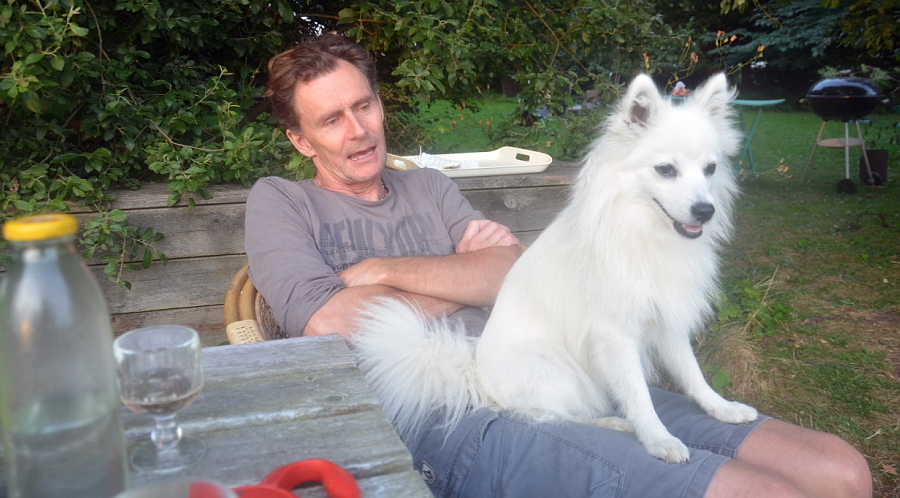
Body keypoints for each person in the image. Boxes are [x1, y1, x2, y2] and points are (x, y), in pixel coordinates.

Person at [244, 33, 872, 498]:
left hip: (568, 373)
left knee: (840, 473)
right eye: (331, 119)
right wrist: (467, 278)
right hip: (450, 414)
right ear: (300, 140)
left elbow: (510, 271)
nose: (358, 130)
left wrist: (382, 271)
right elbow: (332, 323)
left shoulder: (428, 186)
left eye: (364, 106)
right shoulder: (280, 202)